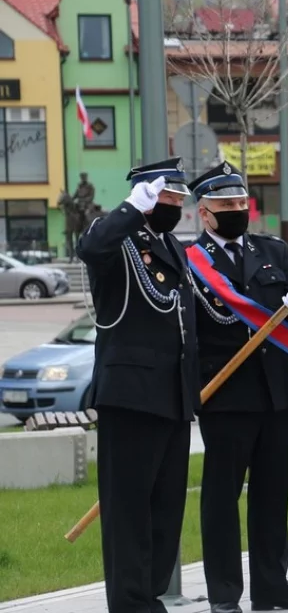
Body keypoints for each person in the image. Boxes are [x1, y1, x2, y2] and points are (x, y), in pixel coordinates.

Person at [186, 161, 288, 613]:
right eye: (224, 205)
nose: (235, 210)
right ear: (204, 213)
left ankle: (273, 586)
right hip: (226, 395)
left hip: (276, 391)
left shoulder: (272, 250)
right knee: (222, 498)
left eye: (240, 203)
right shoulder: (193, 262)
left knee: (272, 494)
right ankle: (225, 593)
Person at [76, 157, 199, 613]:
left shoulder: (173, 247)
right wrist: (129, 209)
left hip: (172, 395)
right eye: (168, 196)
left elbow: (184, 325)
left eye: (179, 199)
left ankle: (151, 597)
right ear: (146, 194)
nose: (176, 205)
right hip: (129, 395)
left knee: (165, 510)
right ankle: (129, 604)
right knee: (128, 511)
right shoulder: (116, 238)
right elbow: (90, 249)